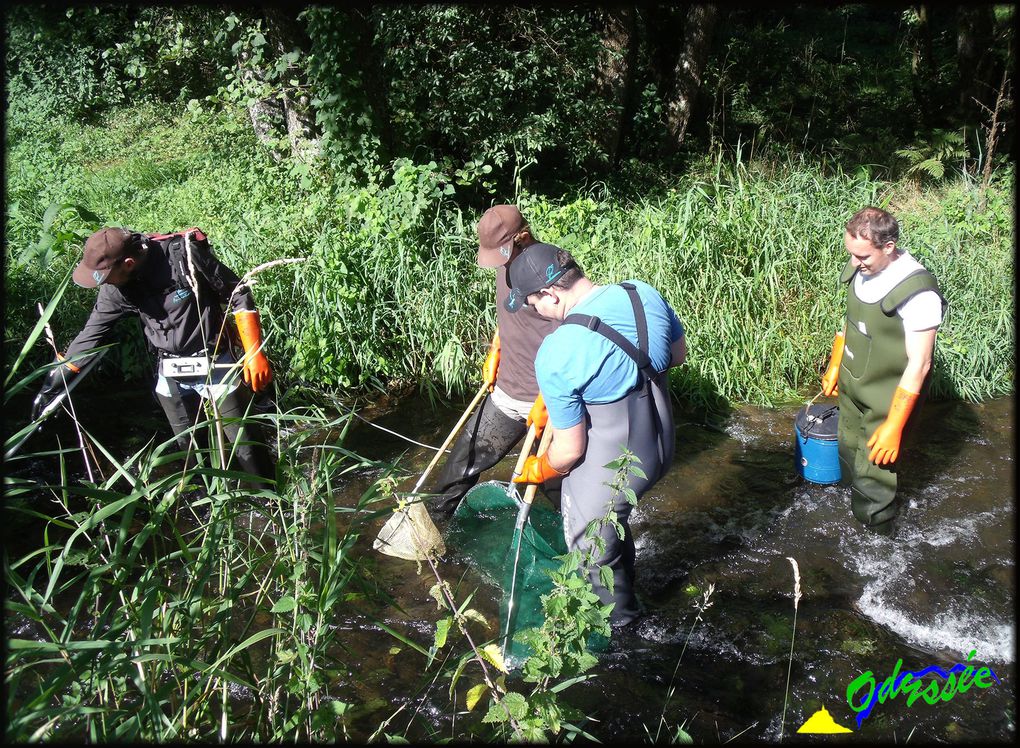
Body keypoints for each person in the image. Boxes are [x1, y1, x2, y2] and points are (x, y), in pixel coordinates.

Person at [506, 243, 686, 628]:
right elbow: (677, 354)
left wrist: (540, 468)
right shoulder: (640, 292)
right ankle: (628, 587)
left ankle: (622, 633)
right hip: (660, 445)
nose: (534, 310)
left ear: (550, 294)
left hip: (616, 462)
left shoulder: (558, 350)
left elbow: (570, 451)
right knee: (614, 518)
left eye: (531, 303)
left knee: (589, 548)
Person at [31, 226, 275, 483]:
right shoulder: (115, 288)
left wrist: (253, 353)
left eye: (105, 276)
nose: (103, 284)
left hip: (215, 362)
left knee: (246, 446)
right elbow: (91, 335)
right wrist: (51, 386)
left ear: (127, 263)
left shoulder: (183, 257)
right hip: (169, 372)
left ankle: (271, 501)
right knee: (190, 451)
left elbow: (238, 293)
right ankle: (207, 504)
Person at [820, 207, 946, 536]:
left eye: (862, 256)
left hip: (888, 400)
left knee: (875, 473)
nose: (854, 262)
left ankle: (878, 540)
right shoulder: (861, 266)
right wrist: (836, 362)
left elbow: (921, 364)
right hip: (852, 384)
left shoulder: (918, 292)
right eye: (850, 253)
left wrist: (894, 425)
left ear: (888, 247)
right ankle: (851, 514)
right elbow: (851, 320)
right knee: (847, 451)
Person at [429, 205, 560, 515]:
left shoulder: (552, 269)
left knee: (561, 488)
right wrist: (495, 348)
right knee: (461, 464)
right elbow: (510, 312)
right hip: (507, 393)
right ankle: (432, 531)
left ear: (523, 238)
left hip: (551, 402)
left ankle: (583, 554)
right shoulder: (507, 261)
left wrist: (551, 396)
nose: (500, 261)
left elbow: (571, 335)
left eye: (503, 253)